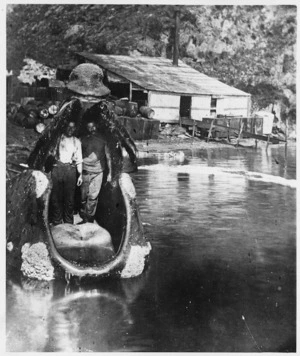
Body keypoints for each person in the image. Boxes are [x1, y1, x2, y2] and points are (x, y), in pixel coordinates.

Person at [79, 119, 112, 223]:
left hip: (98, 171)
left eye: (93, 127)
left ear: (96, 126)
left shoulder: (103, 140)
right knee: (83, 196)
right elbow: (77, 154)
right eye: (88, 127)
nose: (91, 129)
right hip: (85, 170)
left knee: (93, 196)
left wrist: (110, 173)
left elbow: (108, 157)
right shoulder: (82, 140)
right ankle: (83, 213)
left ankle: (88, 218)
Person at [51, 120, 83, 225]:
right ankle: (57, 222)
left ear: (75, 129)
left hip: (70, 170)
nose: (70, 129)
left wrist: (80, 175)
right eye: (68, 127)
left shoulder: (76, 141)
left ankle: (68, 222)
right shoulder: (58, 138)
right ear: (64, 127)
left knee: (69, 199)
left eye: (73, 127)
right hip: (57, 168)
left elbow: (79, 160)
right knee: (56, 197)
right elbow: (50, 152)